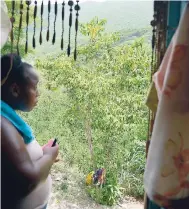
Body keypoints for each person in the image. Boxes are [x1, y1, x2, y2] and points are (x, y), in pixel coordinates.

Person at [1, 53, 59, 209]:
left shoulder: (7, 119)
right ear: (15, 90)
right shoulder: (2, 124)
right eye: (34, 87)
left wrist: (40, 155)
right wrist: (48, 156)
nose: (38, 93)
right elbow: (27, 180)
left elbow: (11, 162)